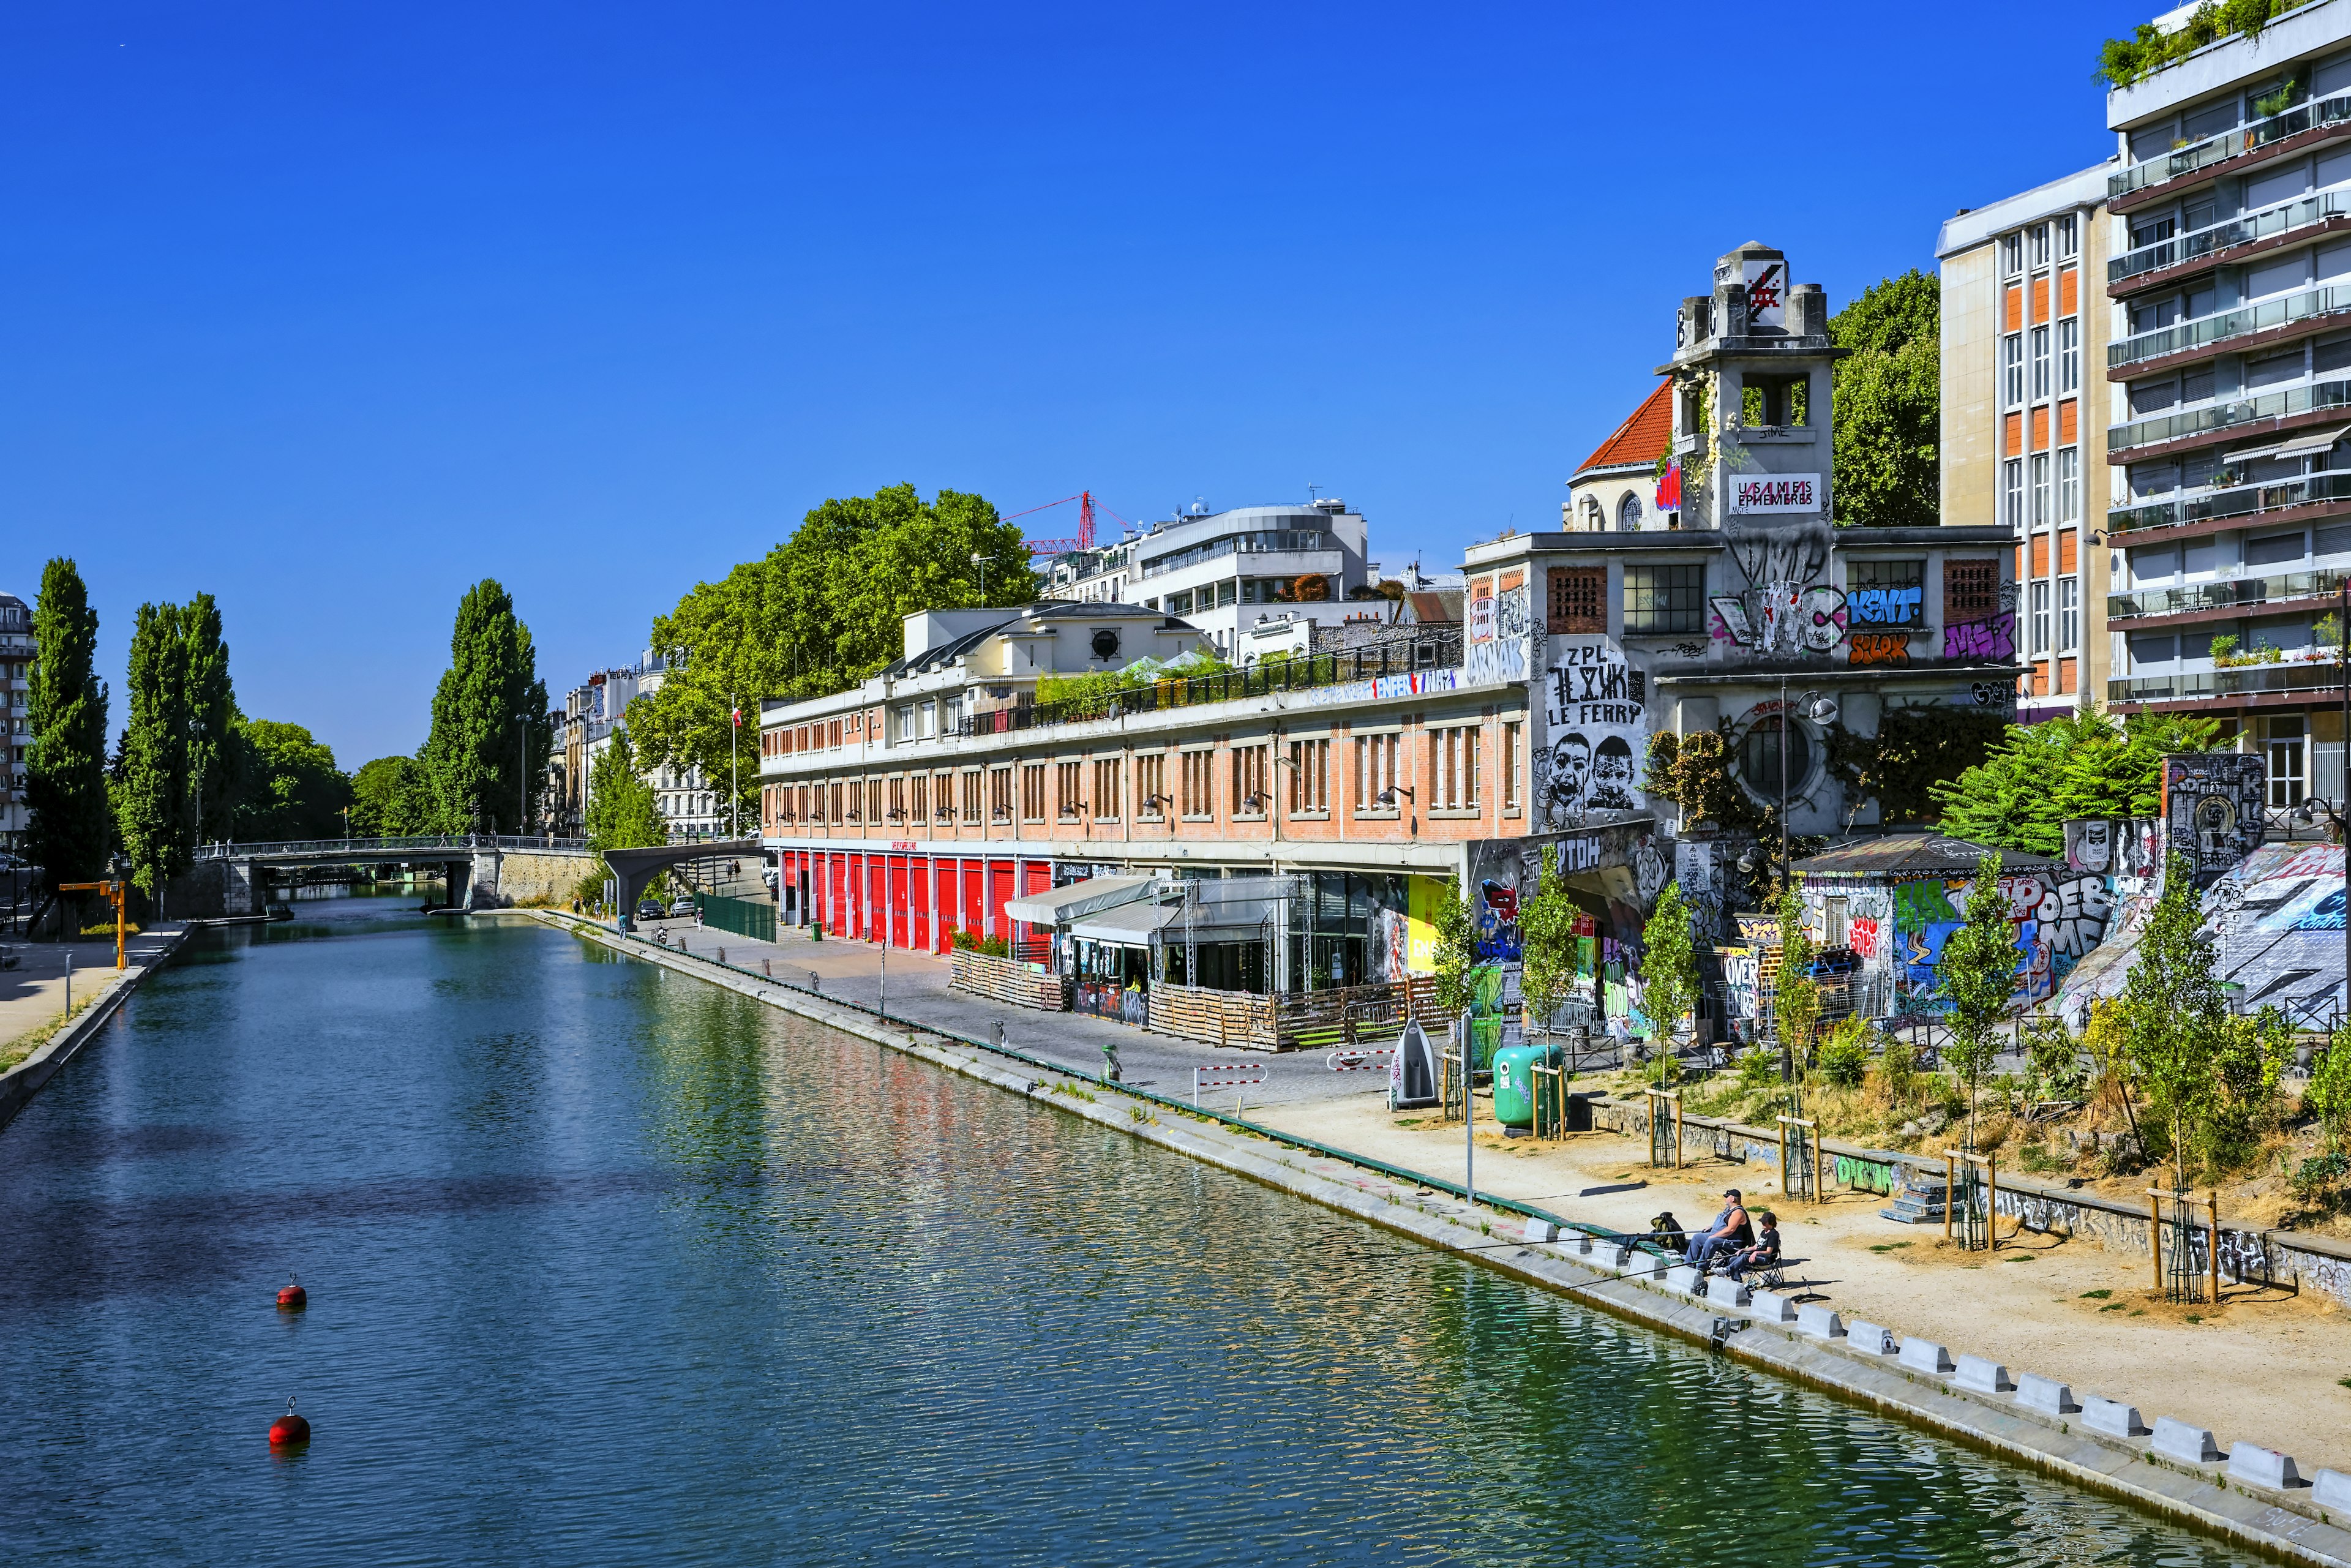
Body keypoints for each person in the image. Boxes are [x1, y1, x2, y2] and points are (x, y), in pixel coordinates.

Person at [1682, 1188, 1752, 1272]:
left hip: (1732, 1242)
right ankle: (1689, 1264)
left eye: (1727, 1197)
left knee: (1712, 1241)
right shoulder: (1729, 1210)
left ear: (1733, 1199)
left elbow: (1731, 1229)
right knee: (1698, 1237)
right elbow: (1725, 1223)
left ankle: (1701, 1268)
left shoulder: (1738, 1213)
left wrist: (1714, 1236)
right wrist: (1711, 1227)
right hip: (1720, 1237)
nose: (1725, 1199)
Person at [1723, 1210, 1782, 1281]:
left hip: (1766, 1260)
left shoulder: (1774, 1235)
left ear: (1771, 1223)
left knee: (1744, 1257)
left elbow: (1769, 1252)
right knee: (1732, 1259)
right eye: (1762, 1222)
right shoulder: (1764, 1232)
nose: (1762, 1224)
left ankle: (1726, 1270)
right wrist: (1743, 1250)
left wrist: (1756, 1253)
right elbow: (1755, 1247)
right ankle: (1737, 1281)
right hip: (1757, 1257)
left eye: (1764, 1222)